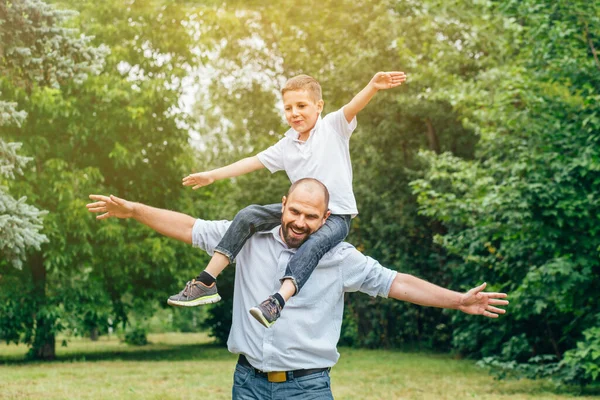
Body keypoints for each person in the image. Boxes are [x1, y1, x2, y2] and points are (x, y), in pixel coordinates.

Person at [86, 178, 509, 400]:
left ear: (326, 219)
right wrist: (135, 210)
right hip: (247, 382)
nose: (300, 222)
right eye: (294, 211)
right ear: (282, 204)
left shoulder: (340, 257)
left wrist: (458, 300)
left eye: (311, 216)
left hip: (307, 388)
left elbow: (395, 283)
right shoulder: (247, 235)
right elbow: (189, 227)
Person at [173, 72, 408, 329]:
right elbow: (252, 162)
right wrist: (211, 176)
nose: (294, 113)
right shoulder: (287, 145)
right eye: (288, 108)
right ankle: (206, 281)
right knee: (248, 215)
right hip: (296, 211)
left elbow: (353, 106)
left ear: (319, 107)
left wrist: (372, 86)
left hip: (336, 216)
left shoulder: (332, 128)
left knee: (314, 244)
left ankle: (277, 301)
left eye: (301, 106)